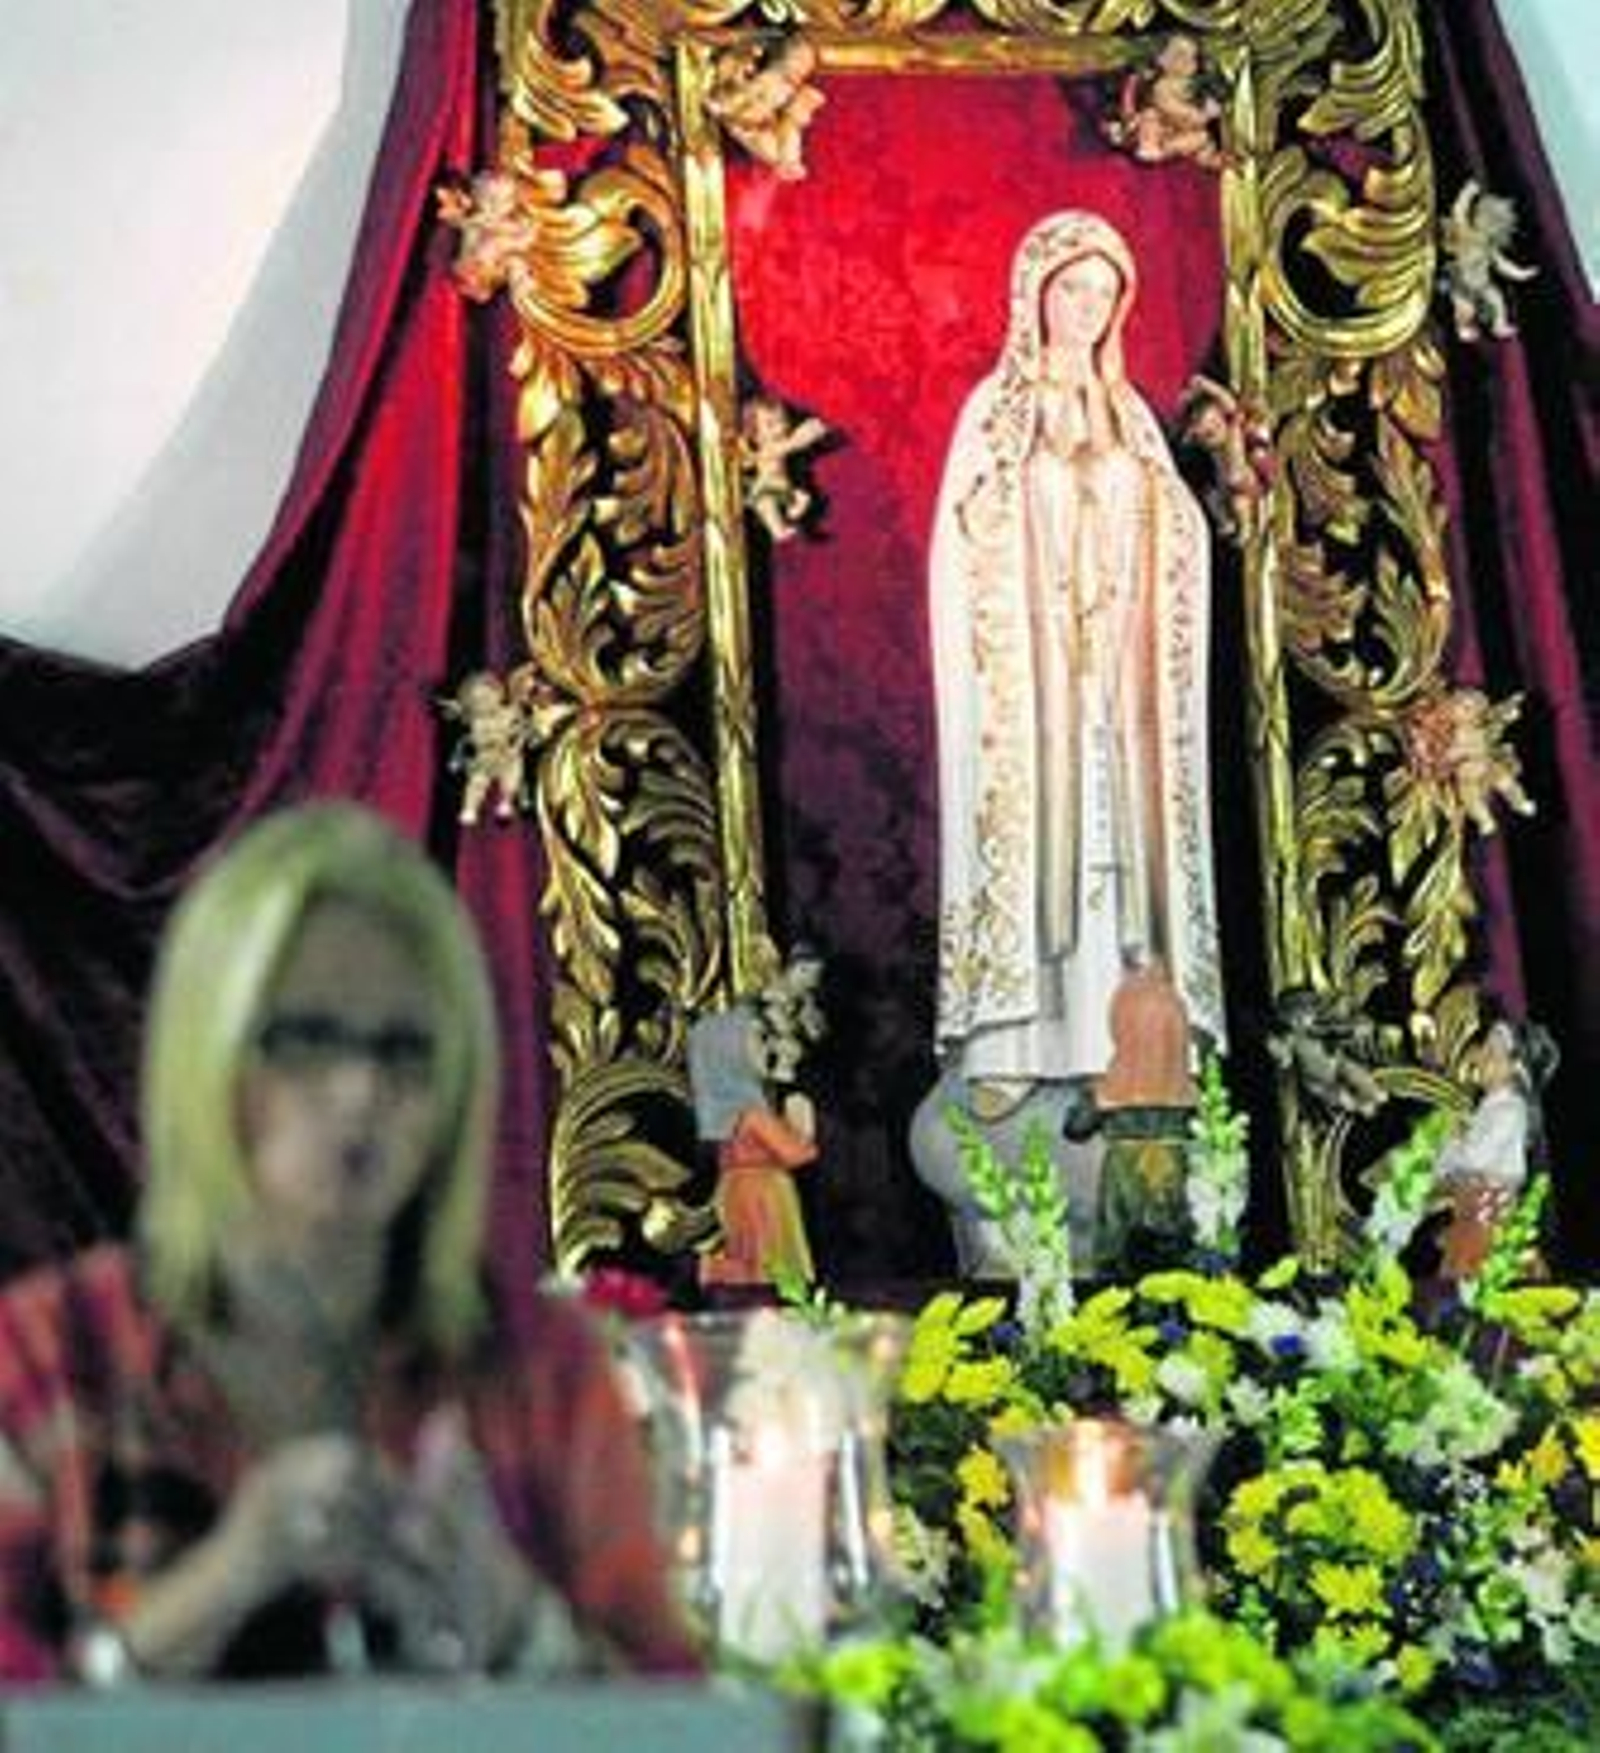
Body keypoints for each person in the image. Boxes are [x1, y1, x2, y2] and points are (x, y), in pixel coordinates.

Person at [0, 802, 694, 1682]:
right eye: (305, 1039)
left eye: (406, 1049)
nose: (361, 1090)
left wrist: (521, 1623)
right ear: (205, 1053)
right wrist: (223, 1580)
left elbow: (681, 1721)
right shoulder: (46, 1354)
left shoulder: (538, 1364)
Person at [928, 210, 1224, 1100]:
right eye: (1074, 290)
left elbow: (1176, 525)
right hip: (1032, 670)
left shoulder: (1130, 414)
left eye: (1104, 293)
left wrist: (1154, 524)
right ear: (1037, 298)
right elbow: (964, 535)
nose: (1089, 308)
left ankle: (1129, 1044)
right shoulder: (997, 409)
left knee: (1123, 843)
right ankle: (1016, 1042)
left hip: (1114, 669)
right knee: (1035, 839)